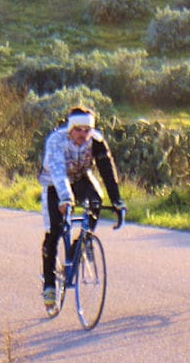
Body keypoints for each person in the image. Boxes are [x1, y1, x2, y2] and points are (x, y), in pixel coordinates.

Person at [38, 106, 125, 309]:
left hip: (80, 178)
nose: (83, 135)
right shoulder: (56, 141)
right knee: (55, 230)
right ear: (70, 129)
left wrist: (117, 201)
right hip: (54, 183)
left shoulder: (96, 141)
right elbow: (58, 171)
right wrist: (65, 199)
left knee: (96, 200)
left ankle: (82, 242)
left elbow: (107, 171)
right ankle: (49, 284)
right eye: (78, 130)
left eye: (87, 131)